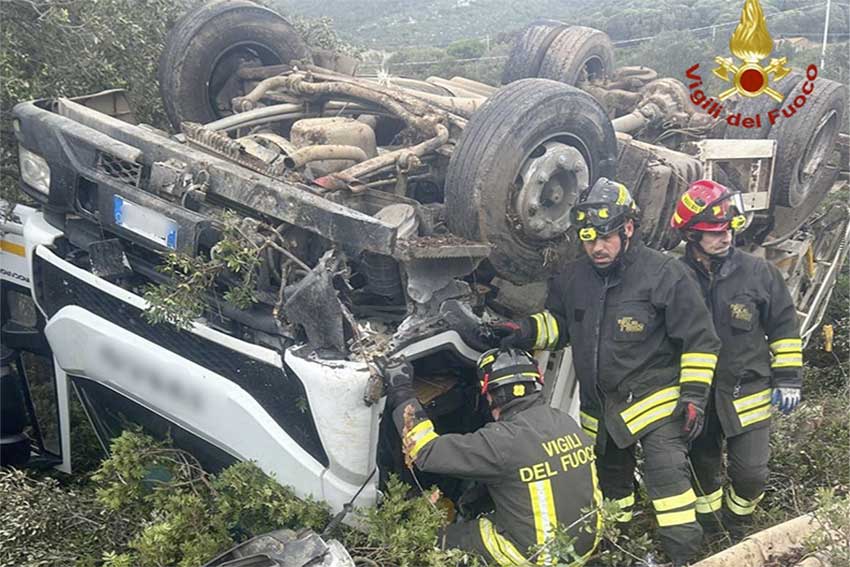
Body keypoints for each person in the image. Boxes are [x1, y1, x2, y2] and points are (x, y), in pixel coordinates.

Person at [486, 178, 721, 566]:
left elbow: (700, 340)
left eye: (606, 237)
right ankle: (619, 549)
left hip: (657, 406)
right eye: (588, 238)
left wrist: (694, 395)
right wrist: (524, 330)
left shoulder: (664, 274)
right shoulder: (574, 278)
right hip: (602, 413)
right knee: (612, 489)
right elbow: (561, 325)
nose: (597, 247)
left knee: (670, 489)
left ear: (628, 228)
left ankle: (685, 557)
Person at [381, 347, 602, 566]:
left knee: (432, 540)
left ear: (491, 394)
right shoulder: (564, 421)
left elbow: (426, 452)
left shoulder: (503, 441)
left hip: (540, 557)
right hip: (585, 543)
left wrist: (402, 392)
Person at [669, 180, 803, 540]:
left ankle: (739, 520)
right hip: (698, 399)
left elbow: (784, 328)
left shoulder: (759, 274)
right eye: (713, 232)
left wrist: (788, 377)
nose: (724, 237)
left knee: (751, 474)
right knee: (703, 473)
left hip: (748, 393)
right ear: (691, 235)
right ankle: (712, 531)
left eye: (728, 228)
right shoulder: (672, 278)